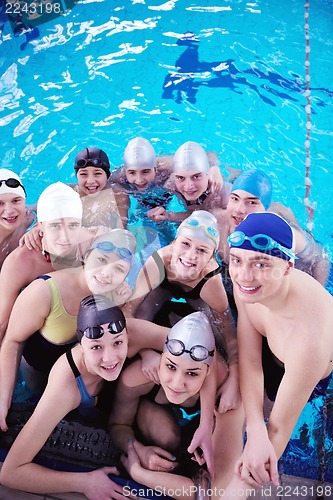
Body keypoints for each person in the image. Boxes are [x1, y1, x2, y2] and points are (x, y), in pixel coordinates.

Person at [227, 212, 333, 488]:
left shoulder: (308, 341)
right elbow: (249, 358)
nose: (244, 274)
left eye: (261, 263)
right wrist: (254, 427)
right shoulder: (246, 284)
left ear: (288, 267)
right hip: (272, 342)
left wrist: (261, 438)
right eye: (236, 260)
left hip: (305, 369)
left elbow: (278, 431)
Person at [0, 228, 136, 432]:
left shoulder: (115, 295)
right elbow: (13, 341)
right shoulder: (44, 291)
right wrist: (3, 400)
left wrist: (124, 307)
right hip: (38, 375)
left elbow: (122, 340)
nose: (106, 274)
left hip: (80, 383)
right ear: (87, 255)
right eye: (101, 260)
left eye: (119, 269)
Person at [0, 294, 132, 499]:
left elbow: (198, 354)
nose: (110, 358)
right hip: (46, 377)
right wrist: (85, 483)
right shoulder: (65, 388)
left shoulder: (132, 332)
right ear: (81, 345)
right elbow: (11, 473)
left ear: (127, 335)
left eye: (118, 343)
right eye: (96, 347)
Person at [109, 312, 245, 499]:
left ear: (207, 372)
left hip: (213, 404)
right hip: (153, 406)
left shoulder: (228, 393)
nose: (176, 384)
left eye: (192, 374)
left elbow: (216, 492)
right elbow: (118, 426)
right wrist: (137, 448)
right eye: (171, 367)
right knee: (167, 439)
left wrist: (139, 474)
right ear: (162, 357)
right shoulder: (137, 378)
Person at [124, 210, 240, 414]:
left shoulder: (211, 281)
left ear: (212, 256)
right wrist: (147, 353)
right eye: (185, 244)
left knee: (219, 339)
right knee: (142, 315)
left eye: (202, 250)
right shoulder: (159, 261)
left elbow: (230, 333)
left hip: (198, 292)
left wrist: (234, 379)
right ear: (174, 242)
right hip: (164, 284)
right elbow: (129, 314)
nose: (190, 255)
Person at [0, 181, 90, 345]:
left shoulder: (91, 243)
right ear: (41, 226)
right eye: (55, 226)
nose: (65, 237)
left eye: (73, 225)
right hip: (39, 341)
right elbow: (4, 325)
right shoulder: (20, 262)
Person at [212, 169, 330, 285]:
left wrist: (318, 291)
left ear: (265, 208)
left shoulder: (281, 233)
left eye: (252, 202)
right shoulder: (216, 221)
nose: (239, 210)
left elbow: (321, 258)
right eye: (235, 198)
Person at [147, 141, 231, 223]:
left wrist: (215, 167)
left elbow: (208, 217)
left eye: (196, 176)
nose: (188, 186)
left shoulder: (223, 192)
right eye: (180, 177)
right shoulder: (171, 185)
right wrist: (163, 215)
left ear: (207, 174)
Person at [70, 146, 130, 230]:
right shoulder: (68, 194)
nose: (90, 181)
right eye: (83, 174)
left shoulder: (118, 194)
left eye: (97, 173)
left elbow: (121, 229)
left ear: (107, 176)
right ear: (77, 176)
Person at [0, 168, 35, 269]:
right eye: (0, 203)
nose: (9, 211)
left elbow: (70, 190)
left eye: (16, 200)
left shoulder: (27, 215)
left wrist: (39, 227)